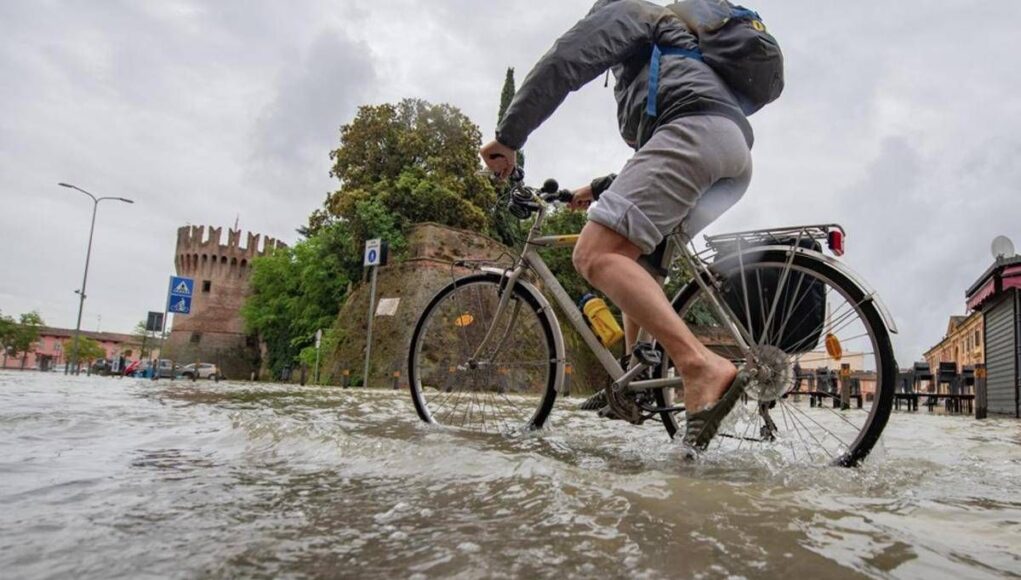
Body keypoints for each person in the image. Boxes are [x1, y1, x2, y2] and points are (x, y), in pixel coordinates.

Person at [481, 0, 760, 449]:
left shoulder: (632, 11)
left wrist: (509, 136)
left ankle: (699, 366)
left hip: (694, 134)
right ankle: (635, 382)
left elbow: (564, 62)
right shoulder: (672, 51)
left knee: (595, 255)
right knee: (638, 260)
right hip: (730, 152)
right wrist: (592, 189)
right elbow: (652, 158)